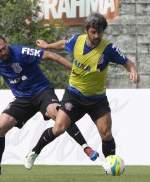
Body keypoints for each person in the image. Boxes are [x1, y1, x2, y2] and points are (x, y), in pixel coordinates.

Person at [0, 34, 99, 175]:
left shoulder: (21, 52)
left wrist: (76, 70)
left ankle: (86, 147)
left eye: (4, 48)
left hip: (42, 92)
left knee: (59, 115)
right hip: (22, 99)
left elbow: (51, 55)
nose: (3, 52)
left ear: (7, 43)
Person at [24, 12, 140, 170]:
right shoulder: (76, 41)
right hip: (74, 96)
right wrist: (47, 45)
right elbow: (62, 43)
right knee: (59, 128)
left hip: (97, 99)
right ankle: (34, 152)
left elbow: (127, 62)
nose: (97, 35)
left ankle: (109, 166)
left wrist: (132, 71)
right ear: (87, 30)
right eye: (93, 32)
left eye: (100, 32)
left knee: (106, 134)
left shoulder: (109, 48)